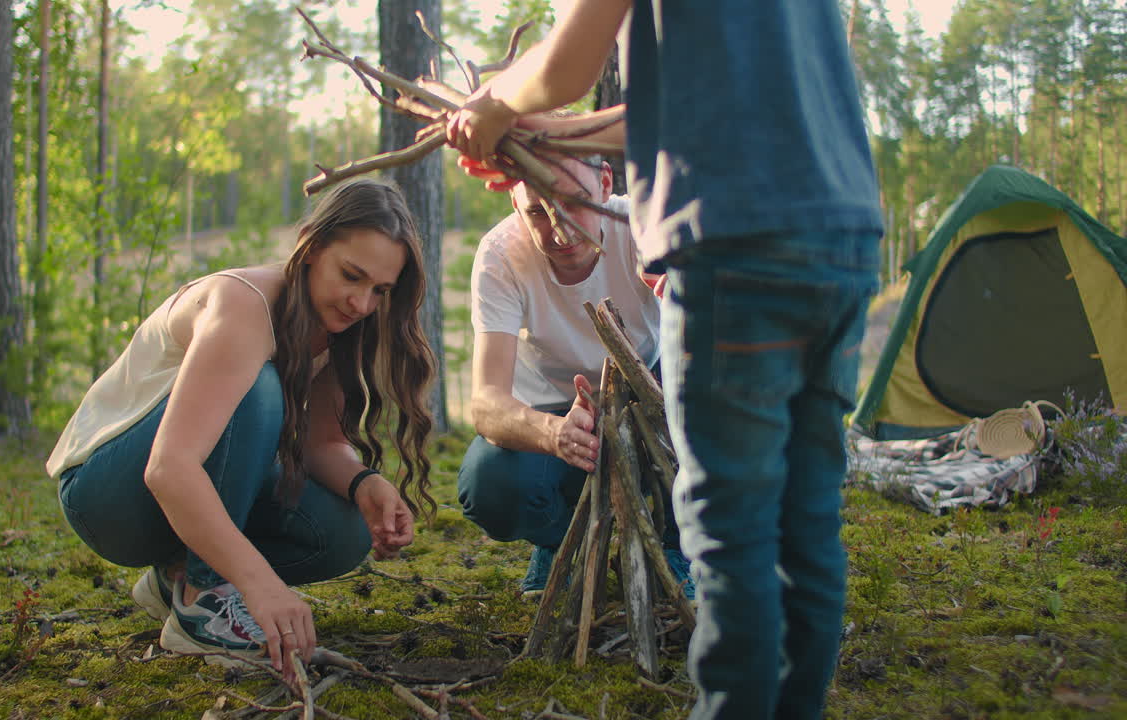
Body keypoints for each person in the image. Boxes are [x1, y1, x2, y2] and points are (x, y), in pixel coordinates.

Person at [444, 2, 884, 718]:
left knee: (731, 529)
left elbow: (566, 66)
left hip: (733, 240)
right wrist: (545, 134)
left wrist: (489, 110)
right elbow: (679, 111)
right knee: (806, 520)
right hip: (844, 231)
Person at [46, 177, 436, 681]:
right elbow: (169, 468)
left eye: (379, 290)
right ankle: (205, 600)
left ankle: (175, 579)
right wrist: (257, 582)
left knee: (341, 532)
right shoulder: (244, 305)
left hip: (172, 493)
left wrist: (366, 484)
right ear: (310, 245)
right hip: (106, 495)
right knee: (259, 391)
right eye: (351, 275)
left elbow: (322, 443)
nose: (361, 303)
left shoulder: (341, 323)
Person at [455, 152, 691, 597]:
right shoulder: (500, 256)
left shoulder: (642, 225)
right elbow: (487, 404)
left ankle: (678, 546)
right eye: (538, 212)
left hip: (649, 385)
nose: (560, 230)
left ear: (606, 183)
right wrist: (553, 432)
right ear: (513, 201)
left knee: (705, 412)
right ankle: (562, 542)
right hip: (551, 410)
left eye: (575, 202)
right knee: (489, 481)